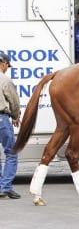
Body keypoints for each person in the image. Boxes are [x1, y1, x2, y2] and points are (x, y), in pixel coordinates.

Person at [0, 53, 21, 199]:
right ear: (3, 63)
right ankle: (5, 187)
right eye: (7, 66)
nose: (7, 69)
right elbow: (14, 101)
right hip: (1, 119)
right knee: (11, 153)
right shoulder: (4, 79)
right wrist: (15, 116)